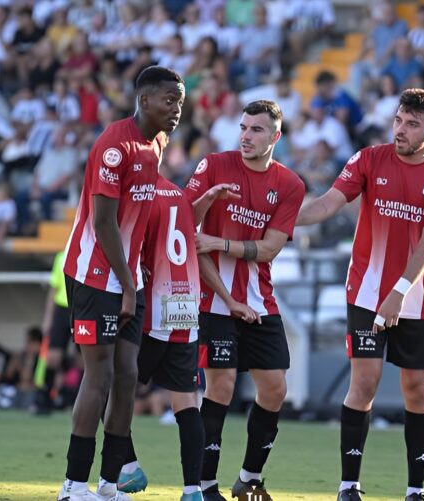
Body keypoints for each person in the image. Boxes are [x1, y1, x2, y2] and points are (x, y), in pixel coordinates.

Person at [296, 89, 424, 501]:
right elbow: (327, 204)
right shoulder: (369, 159)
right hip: (367, 293)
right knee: (365, 382)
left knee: (416, 391)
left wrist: (400, 293)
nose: (401, 130)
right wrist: (274, 222)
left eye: (412, 124)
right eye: (398, 120)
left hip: (415, 299)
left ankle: (414, 490)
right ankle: (348, 485)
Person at [57, 66, 185, 501]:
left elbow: (143, 214)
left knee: (128, 376)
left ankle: (109, 485)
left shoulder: (158, 143)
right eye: (170, 101)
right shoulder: (115, 146)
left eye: (181, 103)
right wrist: (129, 286)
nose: (177, 110)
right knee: (100, 376)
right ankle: (73, 486)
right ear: (144, 100)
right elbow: (104, 221)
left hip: (130, 277)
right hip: (96, 275)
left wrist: (138, 275)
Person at [183, 100, 305, 500]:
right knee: (221, 386)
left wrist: (222, 242)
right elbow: (187, 231)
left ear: (276, 137)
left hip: (259, 301)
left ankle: (249, 477)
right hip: (213, 300)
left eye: (256, 130)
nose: (246, 136)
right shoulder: (214, 165)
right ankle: (203, 485)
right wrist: (226, 297)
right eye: (243, 127)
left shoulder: (290, 185)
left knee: (274, 389)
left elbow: (269, 250)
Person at [121, 175, 237, 501]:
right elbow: (184, 226)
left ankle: (127, 466)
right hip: (185, 305)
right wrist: (208, 200)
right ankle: (192, 491)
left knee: (111, 386)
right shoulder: (177, 193)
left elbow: (133, 241)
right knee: (186, 400)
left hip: (153, 308)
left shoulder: (138, 192)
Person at [36, 249, 71, 415]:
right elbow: (53, 289)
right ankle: (44, 399)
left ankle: (79, 400)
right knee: (53, 357)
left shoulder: (89, 251)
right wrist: (48, 318)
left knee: (86, 359)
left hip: (83, 308)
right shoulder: (61, 256)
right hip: (62, 310)